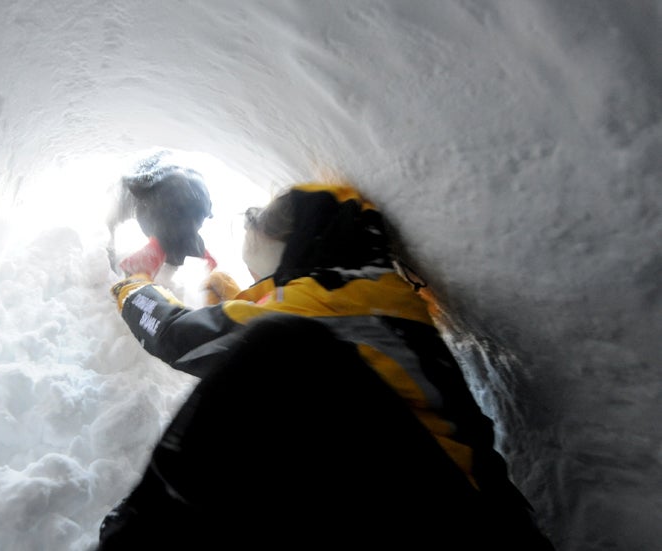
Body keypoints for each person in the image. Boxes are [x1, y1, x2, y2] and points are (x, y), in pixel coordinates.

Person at [98, 181, 555, 550]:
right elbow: (294, 311)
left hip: (453, 524)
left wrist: (132, 285)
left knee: (278, 348)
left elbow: (179, 337)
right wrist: (236, 294)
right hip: (456, 511)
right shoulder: (367, 293)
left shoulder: (332, 304)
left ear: (301, 241)